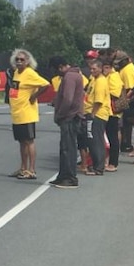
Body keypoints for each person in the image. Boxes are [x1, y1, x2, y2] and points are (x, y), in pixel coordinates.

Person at [8, 49, 50, 180]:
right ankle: (23, 168)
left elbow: (45, 84)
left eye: (22, 60)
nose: (19, 62)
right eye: (17, 59)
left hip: (27, 113)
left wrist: (34, 96)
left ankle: (31, 170)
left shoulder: (30, 73)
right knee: (21, 142)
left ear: (28, 61)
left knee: (29, 141)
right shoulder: (16, 73)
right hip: (17, 113)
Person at [50, 56, 84, 188]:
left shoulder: (69, 77)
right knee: (65, 147)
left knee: (68, 148)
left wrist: (60, 114)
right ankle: (63, 175)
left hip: (70, 117)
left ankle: (70, 178)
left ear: (60, 67)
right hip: (71, 116)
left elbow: (68, 99)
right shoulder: (74, 75)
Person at [83, 59, 111, 176]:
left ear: (100, 69)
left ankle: (98, 167)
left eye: (95, 69)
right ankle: (96, 165)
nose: (92, 71)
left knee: (95, 141)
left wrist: (92, 114)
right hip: (91, 112)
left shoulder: (100, 81)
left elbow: (98, 101)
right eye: (91, 68)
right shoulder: (93, 80)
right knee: (92, 140)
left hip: (97, 114)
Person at [102, 58, 124, 172]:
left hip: (112, 112)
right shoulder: (106, 77)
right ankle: (106, 160)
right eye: (103, 67)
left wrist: (102, 90)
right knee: (106, 138)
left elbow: (115, 92)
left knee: (113, 138)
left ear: (111, 68)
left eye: (106, 67)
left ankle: (113, 163)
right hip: (106, 111)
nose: (104, 70)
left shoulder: (114, 76)